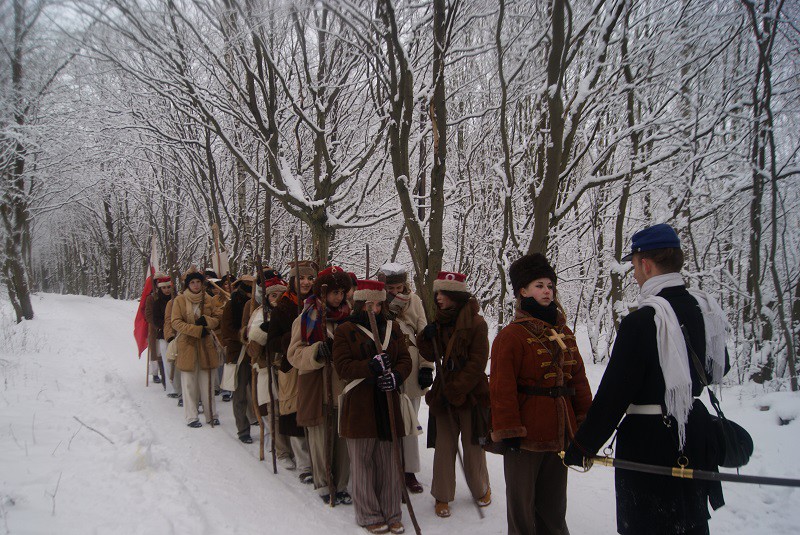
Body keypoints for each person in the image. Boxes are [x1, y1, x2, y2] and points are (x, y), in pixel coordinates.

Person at [564, 223, 730, 535]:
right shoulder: (704, 308)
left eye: (634, 266)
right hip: (694, 432)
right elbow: (719, 368)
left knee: (649, 524)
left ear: (645, 263)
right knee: (689, 522)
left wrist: (582, 446)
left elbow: (614, 395)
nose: (635, 274)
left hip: (649, 441)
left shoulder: (642, 321)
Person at [489, 254, 592, 535]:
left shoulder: (565, 332)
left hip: (560, 433)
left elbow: (579, 380)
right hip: (524, 437)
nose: (547, 291)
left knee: (554, 509)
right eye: (539, 285)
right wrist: (508, 431)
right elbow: (501, 387)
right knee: (522, 512)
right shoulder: (511, 336)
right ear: (523, 291)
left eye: (549, 285)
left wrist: (586, 422)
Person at [333, 279, 412, 534]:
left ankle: (392, 512)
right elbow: (342, 367)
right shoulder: (345, 330)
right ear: (359, 304)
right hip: (360, 405)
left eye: (378, 305)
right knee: (363, 461)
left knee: (389, 461)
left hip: (387, 400)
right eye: (369, 304)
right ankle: (368, 513)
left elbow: (404, 359)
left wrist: (397, 376)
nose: (374, 310)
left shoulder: (393, 327)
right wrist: (370, 367)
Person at [417, 271, 491, 518]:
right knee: (444, 447)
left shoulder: (477, 324)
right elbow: (429, 354)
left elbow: (477, 363)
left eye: (442, 294)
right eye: (437, 293)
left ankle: (480, 489)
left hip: (470, 394)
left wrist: (456, 390)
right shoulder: (439, 322)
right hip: (444, 394)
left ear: (455, 296)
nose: (438, 298)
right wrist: (425, 337)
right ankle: (442, 495)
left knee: (472, 448)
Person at [287, 265, 353, 505]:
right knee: (320, 436)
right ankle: (324, 483)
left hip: (344, 387)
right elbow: (293, 354)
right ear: (322, 293)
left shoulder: (349, 318)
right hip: (317, 385)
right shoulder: (305, 319)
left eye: (341, 292)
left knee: (343, 437)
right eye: (333, 292)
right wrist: (315, 351)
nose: (338, 297)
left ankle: (343, 484)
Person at [378, 263, 433, 494]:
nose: (395, 292)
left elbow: (423, 331)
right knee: (386, 419)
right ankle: (388, 467)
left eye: (399, 287)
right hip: (386, 363)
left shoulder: (415, 300)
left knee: (410, 420)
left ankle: (409, 470)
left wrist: (426, 366)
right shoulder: (376, 301)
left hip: (410, 367)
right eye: (390, 288)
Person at [267, 260, 318, 481]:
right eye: (302, 278)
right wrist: (293, 337)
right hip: (291, 366)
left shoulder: (318, 304)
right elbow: (272, 343)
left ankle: (319, 460)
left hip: (313, 365)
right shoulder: (283, 307)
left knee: (313, 411)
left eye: (310, 278)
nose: (306, 282)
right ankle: (304, 464)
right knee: (295, 412)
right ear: (293, 281)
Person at [171, 267, 223, 427]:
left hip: (206, 345)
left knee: (207, 382)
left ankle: (211, 415)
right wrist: (195, 330)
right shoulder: (180, 300)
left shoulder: (208, 299)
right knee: (189, 384)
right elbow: (176, 322)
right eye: (192, 282)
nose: (195, 285)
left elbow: (217, 318)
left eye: (198, 282)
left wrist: (206, 321)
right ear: (187, 285)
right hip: (187, 345)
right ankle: (192, 417)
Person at [221, 275, 255, 443]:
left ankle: (258, 421)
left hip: (256, 353)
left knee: (257, 392)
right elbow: (226, 329)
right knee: (240, 393)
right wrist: (243, 336)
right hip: (239, 353)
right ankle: (243, 429)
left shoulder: (258, 303)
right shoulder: (232, 304)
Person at [145, 273, 175, 396]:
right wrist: (163, 326)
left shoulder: (176, 299)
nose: (167, 290)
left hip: (177, 333)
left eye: (168, 287)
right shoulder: (154, 300)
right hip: (160, 333)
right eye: (164, 287)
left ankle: (177, 386)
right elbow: (151, 316)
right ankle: (168, 385)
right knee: (164, 359)